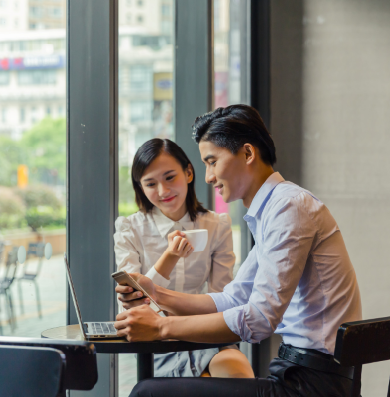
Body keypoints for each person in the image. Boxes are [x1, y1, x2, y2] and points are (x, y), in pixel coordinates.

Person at [115, 105, 362, 397]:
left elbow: (258, 319)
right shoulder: (275, 209)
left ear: (247, 153)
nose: (208, 177)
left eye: (212, 161)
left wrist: (162, 328)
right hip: (300, 374)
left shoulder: (289, 208)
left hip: (313, 385)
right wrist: (156, 294)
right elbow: (234, 298)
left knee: (147, 392)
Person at [114, 138, 253, 378]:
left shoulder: (216, 225)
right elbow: (133, 304)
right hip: (154, 344)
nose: (163, 191)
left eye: (170, 177)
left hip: (205, 336)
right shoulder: (129, 229)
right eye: (150, 183)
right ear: (140, 187)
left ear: (188, 172)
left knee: (236, 372)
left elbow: (224, 298)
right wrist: (170, 256)